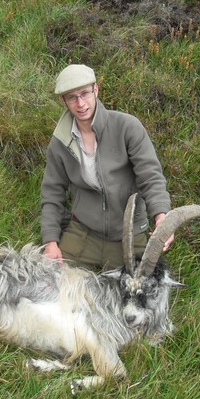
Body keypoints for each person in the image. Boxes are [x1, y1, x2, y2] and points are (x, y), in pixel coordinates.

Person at [41, 64, 174, 270]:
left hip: (129, 234)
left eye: (85, 93)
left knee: (135, 294)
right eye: (72, 97)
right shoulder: (60, 142)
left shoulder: (127, 127)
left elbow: (151, 177)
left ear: (96, 89)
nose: (81, 103)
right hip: (82, 231)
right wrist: (50, 242)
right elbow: (52, 193)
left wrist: (161, 216)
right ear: (63, 101)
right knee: (51, 284)